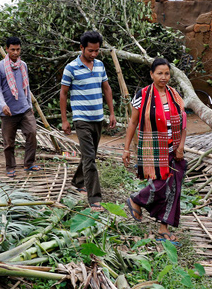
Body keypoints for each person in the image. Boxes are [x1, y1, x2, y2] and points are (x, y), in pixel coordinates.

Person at [122, 58, 187, 246]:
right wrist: (126, 149)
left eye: (167, 73)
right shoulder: (142, 95)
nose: (163, 77)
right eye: (159, 73)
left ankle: (163, 228)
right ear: (151, 74)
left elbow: (183, 124)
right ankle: (136, 200)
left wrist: (181, 146)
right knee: (160, 184)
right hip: (153, 149)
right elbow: (133, 122)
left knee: (173, 189)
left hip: (173, 149)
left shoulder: (175, 95)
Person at [60, 31, 116, 212]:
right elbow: (63, 93)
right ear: (81, 48)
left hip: (98, 118)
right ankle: (95, 198)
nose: (93, 54)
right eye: (90, 51)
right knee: (90, 159)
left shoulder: (100, 66)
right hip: (81, 119)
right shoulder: (71, 68)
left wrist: (112, 113)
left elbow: (106, 89)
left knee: (88, 155)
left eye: (97, 51)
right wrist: (64, 120)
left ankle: (77, 181)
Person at [0, 37, 40, 178]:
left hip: (24, 108)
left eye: (18, 49)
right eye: (12, 49)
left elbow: (26, 87)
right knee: (9, 142)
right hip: (8, 111)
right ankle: (10, 167)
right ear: (7, 49)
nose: (15, 52)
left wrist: (29, 104)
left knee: (32, 133)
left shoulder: (23, 65)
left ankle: (29, 163)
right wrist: (3, 104)